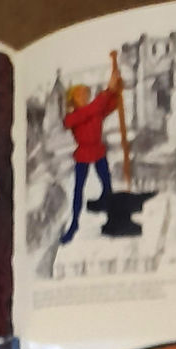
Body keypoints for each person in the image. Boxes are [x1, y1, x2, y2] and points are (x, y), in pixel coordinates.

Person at [59, 64, 122, 245]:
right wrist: (107, 91)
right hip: (82, 155)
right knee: (78, 190)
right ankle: (74, 224)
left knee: (107, 186)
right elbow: (93, 109)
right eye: (80, 95)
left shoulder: (94, 111)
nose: (85, 97)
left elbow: (110, 105)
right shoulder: (71, 117)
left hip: (99, 152)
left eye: (86, 94)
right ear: (73, 99)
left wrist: (115, 91)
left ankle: (113, 220)